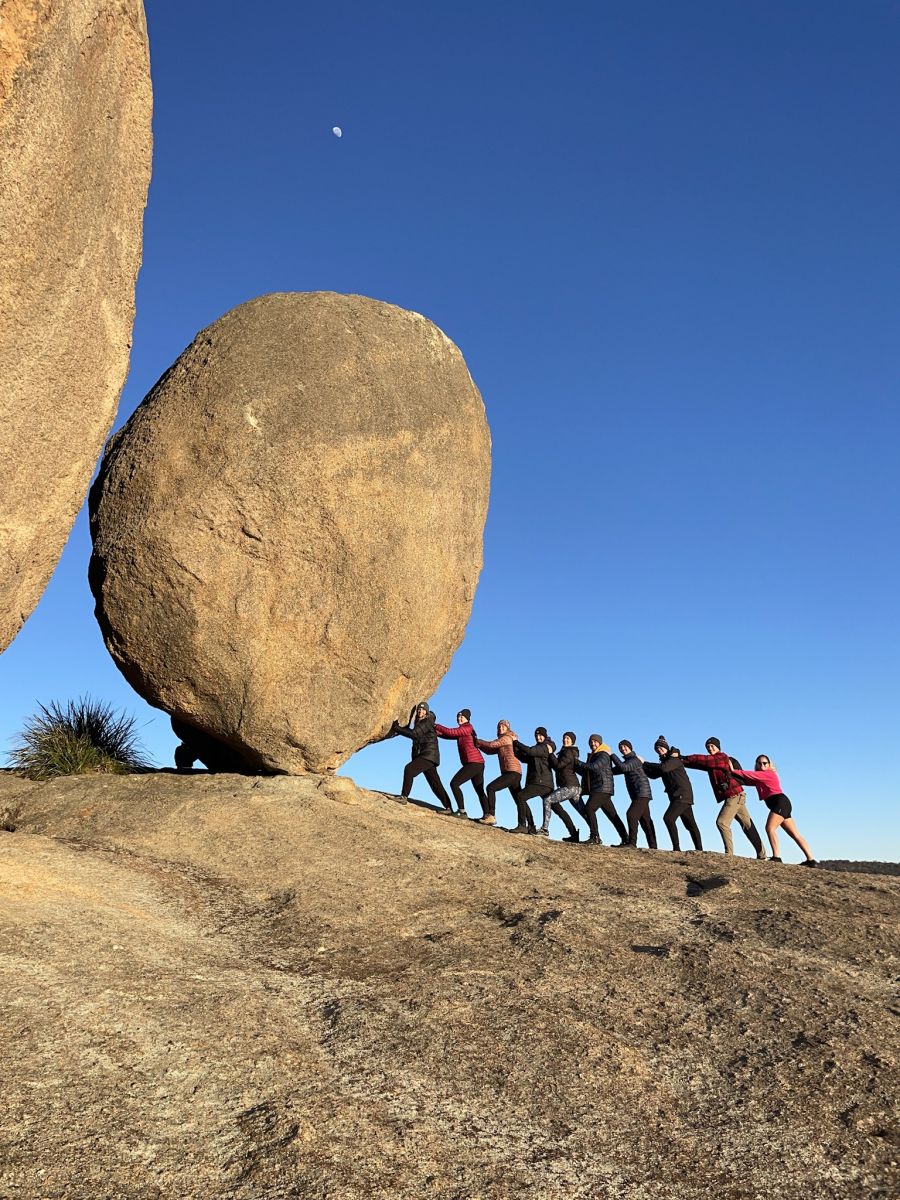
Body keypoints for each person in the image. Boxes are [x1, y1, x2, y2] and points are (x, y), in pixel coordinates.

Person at [683, 738, 765, 859]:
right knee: (748, 826)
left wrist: (683, 756)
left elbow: (703, 759)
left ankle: (729, 854)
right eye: (708, 747)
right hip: (737, 796)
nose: (710, 749)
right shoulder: (713, 762)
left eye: (712, 746)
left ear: (718, 747)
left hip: (734, 795)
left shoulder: (721, 757)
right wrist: (680, 760)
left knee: (722, 822)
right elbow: (698, 763)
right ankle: (762, 854)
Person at [731, 755, 817, 865]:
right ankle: (811, 860)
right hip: (781, 804)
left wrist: (734, 770)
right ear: (756, 764)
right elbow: (747, 780)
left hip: (780, 803)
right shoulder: (760, 777)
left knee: (770, 828)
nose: (762, 765)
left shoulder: (768, 774)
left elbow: (747, 774)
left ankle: (776, 857)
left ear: (769, 764)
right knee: (795, 834)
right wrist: (732, 774)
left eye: (765, 763)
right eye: (759, 763)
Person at [389, 702, 455, 812]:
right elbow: (414, 735)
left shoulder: (427, 721)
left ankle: (404, 797)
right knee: (435, 784)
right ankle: (449, 808)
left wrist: (396, 727)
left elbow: (414, 734)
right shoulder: (421, 722)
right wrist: (401, 729)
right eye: (419, 709)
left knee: (409, 769)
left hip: (428, 755)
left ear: (427, 712)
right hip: (428, 756)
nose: (420, 711)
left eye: (423, 710)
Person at [642, 736, 703, 852]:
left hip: (682, 795)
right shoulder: (665, 762)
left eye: (661, 747)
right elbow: (654, 775)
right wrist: (641, 766)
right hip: (676, 796)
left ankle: (676, 848)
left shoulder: (673, 759)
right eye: (657, 748)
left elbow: (663, 769)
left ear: (666, 748)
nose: (659, 750)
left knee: (668, 818)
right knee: (690, 824)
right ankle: (699, 850)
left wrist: (645, 762)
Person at [435, 709, 486, 819]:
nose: (459, 718)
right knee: (479, 789)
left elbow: (451, 732)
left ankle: (462, 811)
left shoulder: (468, 728)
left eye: (461, 716)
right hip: (476, 763)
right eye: (458, 717)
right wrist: (436, 732)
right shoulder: (463, 730)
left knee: (454, 783)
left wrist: (436, 725)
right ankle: (488, 815)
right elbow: (448, 735)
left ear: (467, 718)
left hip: (474, 762)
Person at [579, 734, 628, 846]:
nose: (593, 744)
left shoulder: (603, 754)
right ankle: (626, 838)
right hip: (600, 788)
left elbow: (594, 767)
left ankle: (595, 837)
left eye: (595, 741)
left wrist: (578, 762)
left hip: (602, 788)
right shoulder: (594, 755)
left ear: (600, 743)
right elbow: (587, 771)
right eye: (591, 742)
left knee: (589, 808)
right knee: (612, 815)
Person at [611, 740, 658, 849]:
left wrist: (612, 755)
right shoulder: (628, 761)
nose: (623, 749)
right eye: (621, 748)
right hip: (638, 794)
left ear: (630, 748)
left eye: (625, 746)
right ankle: (653, 846)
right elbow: (615, 770)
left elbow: (623, 768)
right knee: (645, 820)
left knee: (631, 815)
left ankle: (632, 843)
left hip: (642, 793)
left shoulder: (635, 760)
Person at [475, 719, 521, 826]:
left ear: (508, 728)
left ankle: (491, 816)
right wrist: (479, 746)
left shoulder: (507, 738)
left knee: (491, 788)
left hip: (512, 771)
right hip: (512, 772)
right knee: (519, 799)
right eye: (499, 727)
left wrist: (478, 741)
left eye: (503, 727)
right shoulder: (504, 740)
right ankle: (530, 825)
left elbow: (492, 745)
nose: (501, 728)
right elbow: (490, 750)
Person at [510, 727, 555, 833]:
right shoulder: (537, 748)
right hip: (541, 782)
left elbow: (530, 751)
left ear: (545, 736)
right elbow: (524, 757)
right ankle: (531, 827)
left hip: (542, 783)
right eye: (536, 735)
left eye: (540, 735)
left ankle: (523, 825)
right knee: (558, 809)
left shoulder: (545, 747)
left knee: (520, 797)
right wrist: (514, 746)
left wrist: (516, 742)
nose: (538, 737)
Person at [540, 732, 583, 841]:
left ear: (572, 741)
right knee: (584, 812)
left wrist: (550, 753)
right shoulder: (569, 752)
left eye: (568, 738)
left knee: (547, 800)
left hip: (569, 787)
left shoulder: (568, 752)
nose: (565, 740)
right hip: (574, 786)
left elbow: (558, 766)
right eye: (564, 738)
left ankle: (544, 829)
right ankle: (586, 834)